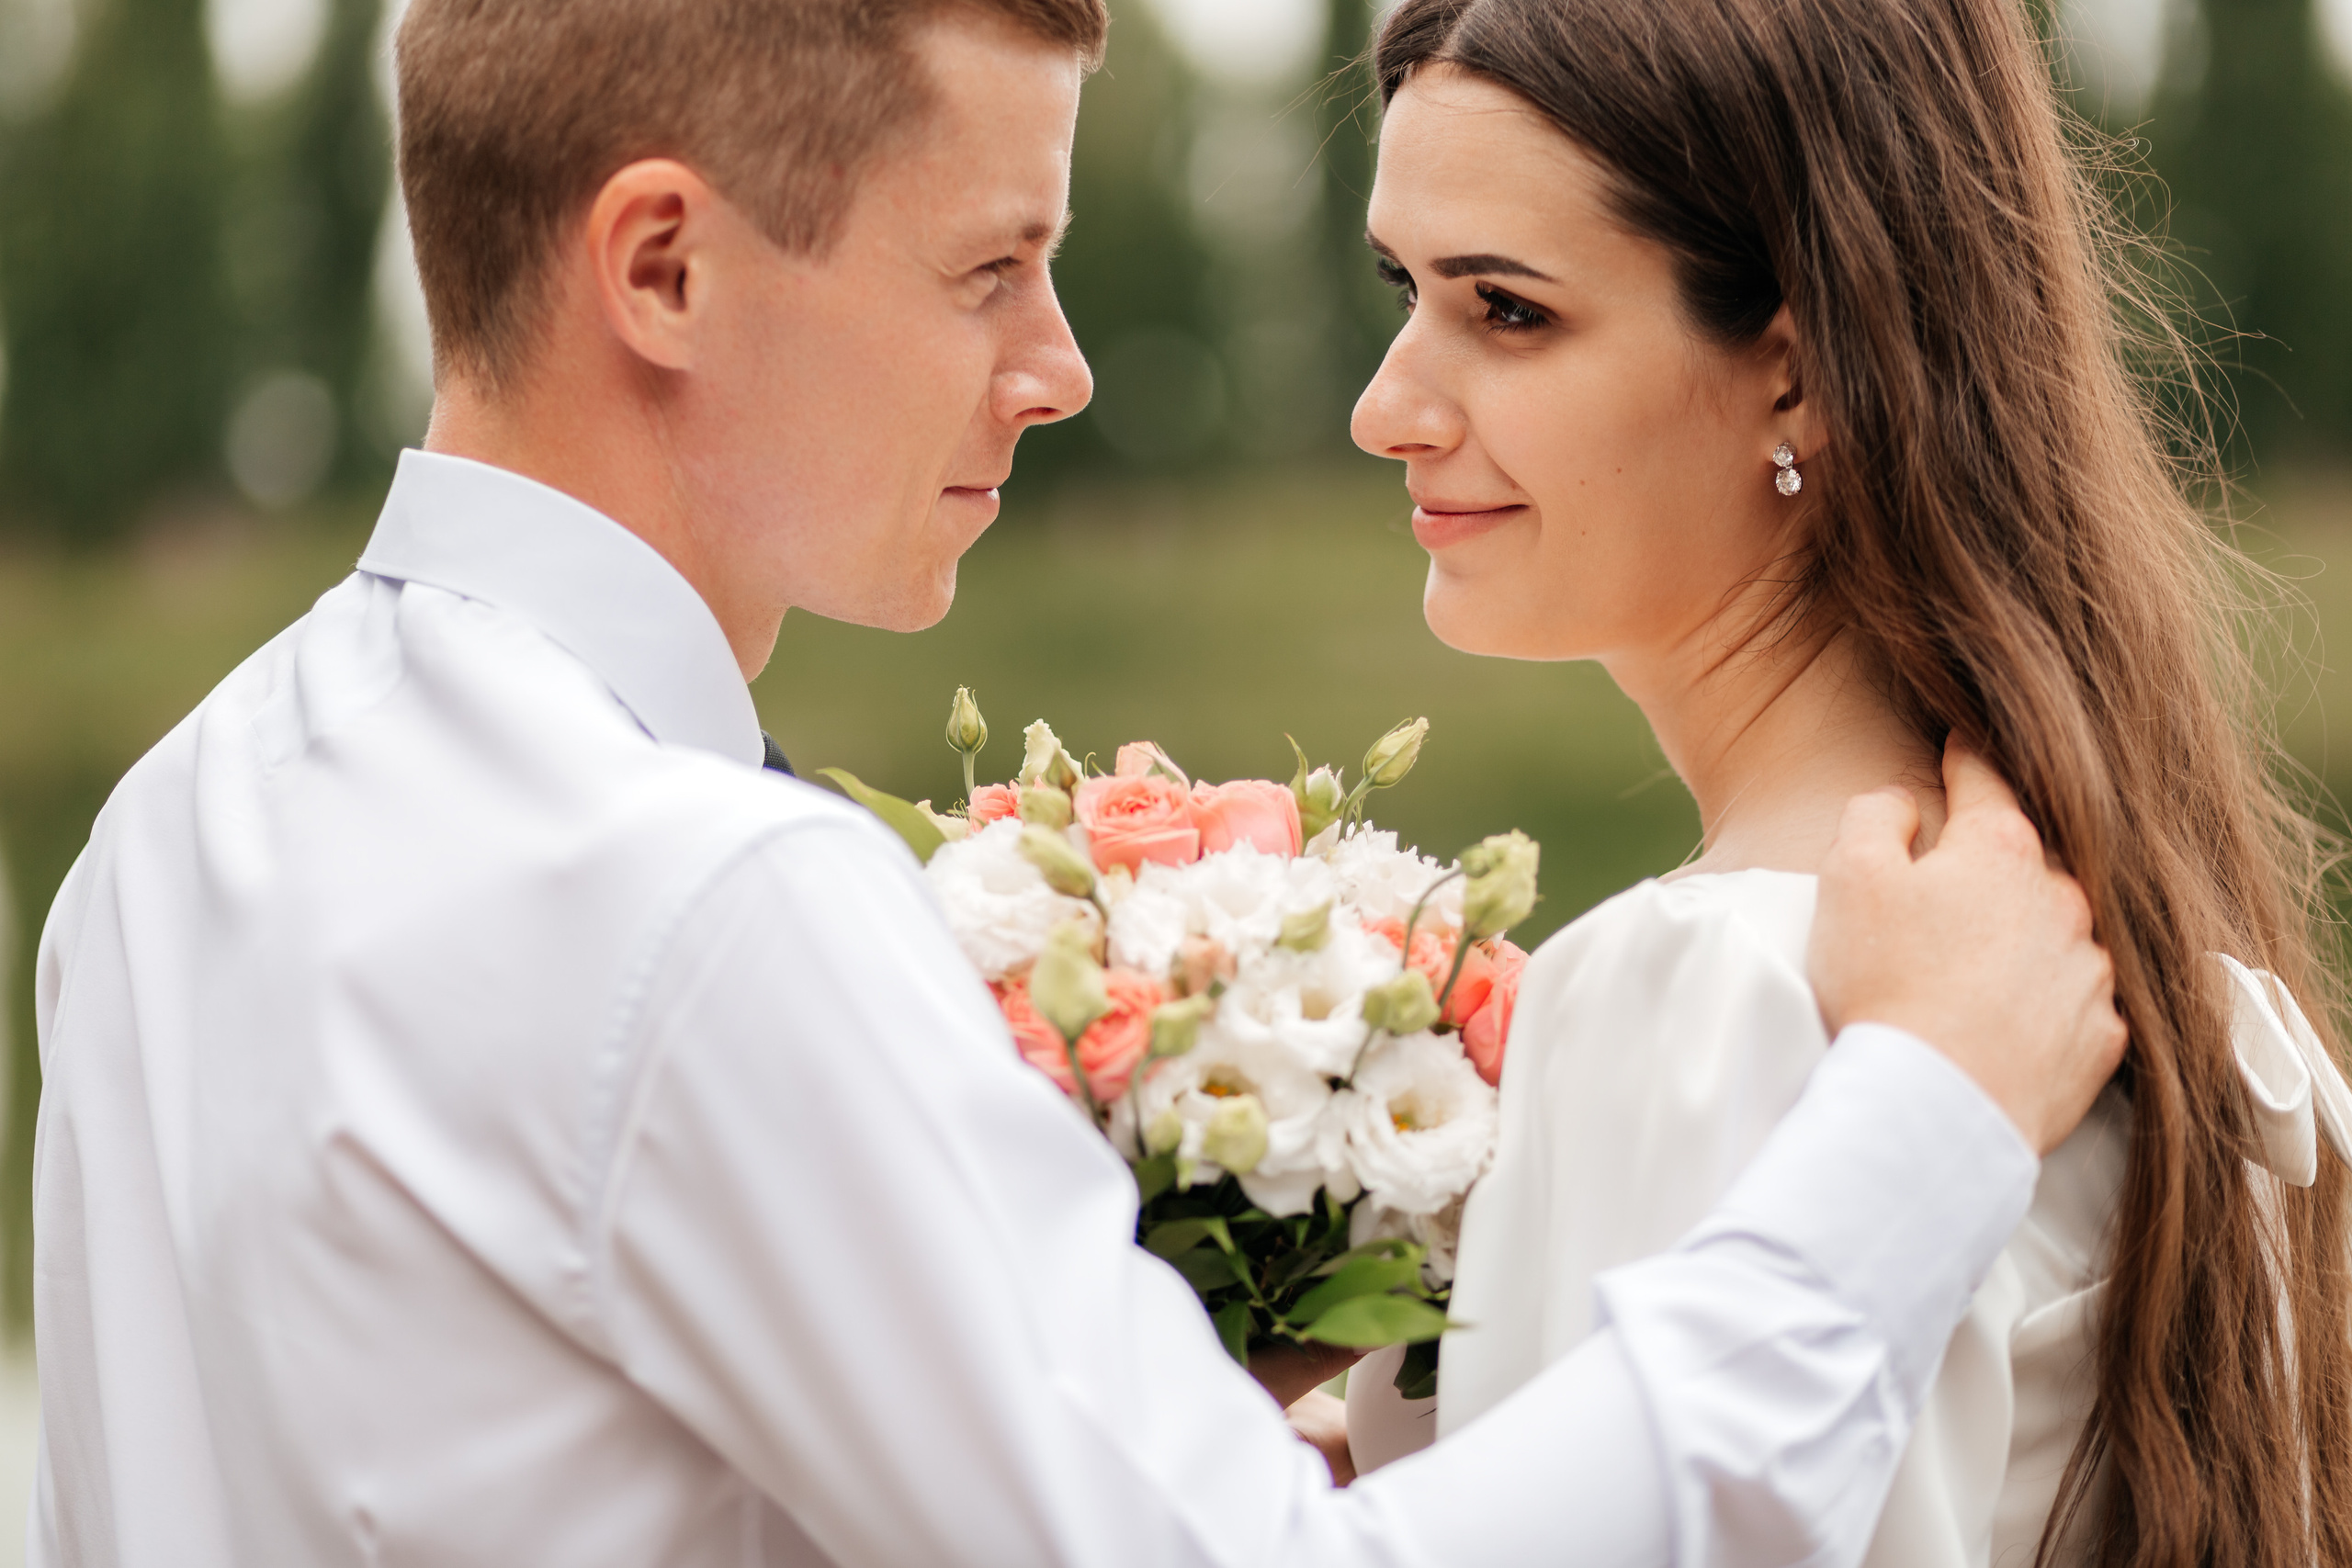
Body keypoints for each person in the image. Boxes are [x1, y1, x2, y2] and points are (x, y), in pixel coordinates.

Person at [27, 1, 2122, 1564]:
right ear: (659, 265)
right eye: (985, 265)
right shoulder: (700, 897)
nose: (1060, 360)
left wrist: (1140, 1374)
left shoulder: (168, 831)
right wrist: (1917, 1121)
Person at [1340, 1, 2352, 1564]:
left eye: (1509, 311)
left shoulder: (1718, 988)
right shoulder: (2176, 974)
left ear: (1799, 374)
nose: (1386, 409)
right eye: (1402, 290)